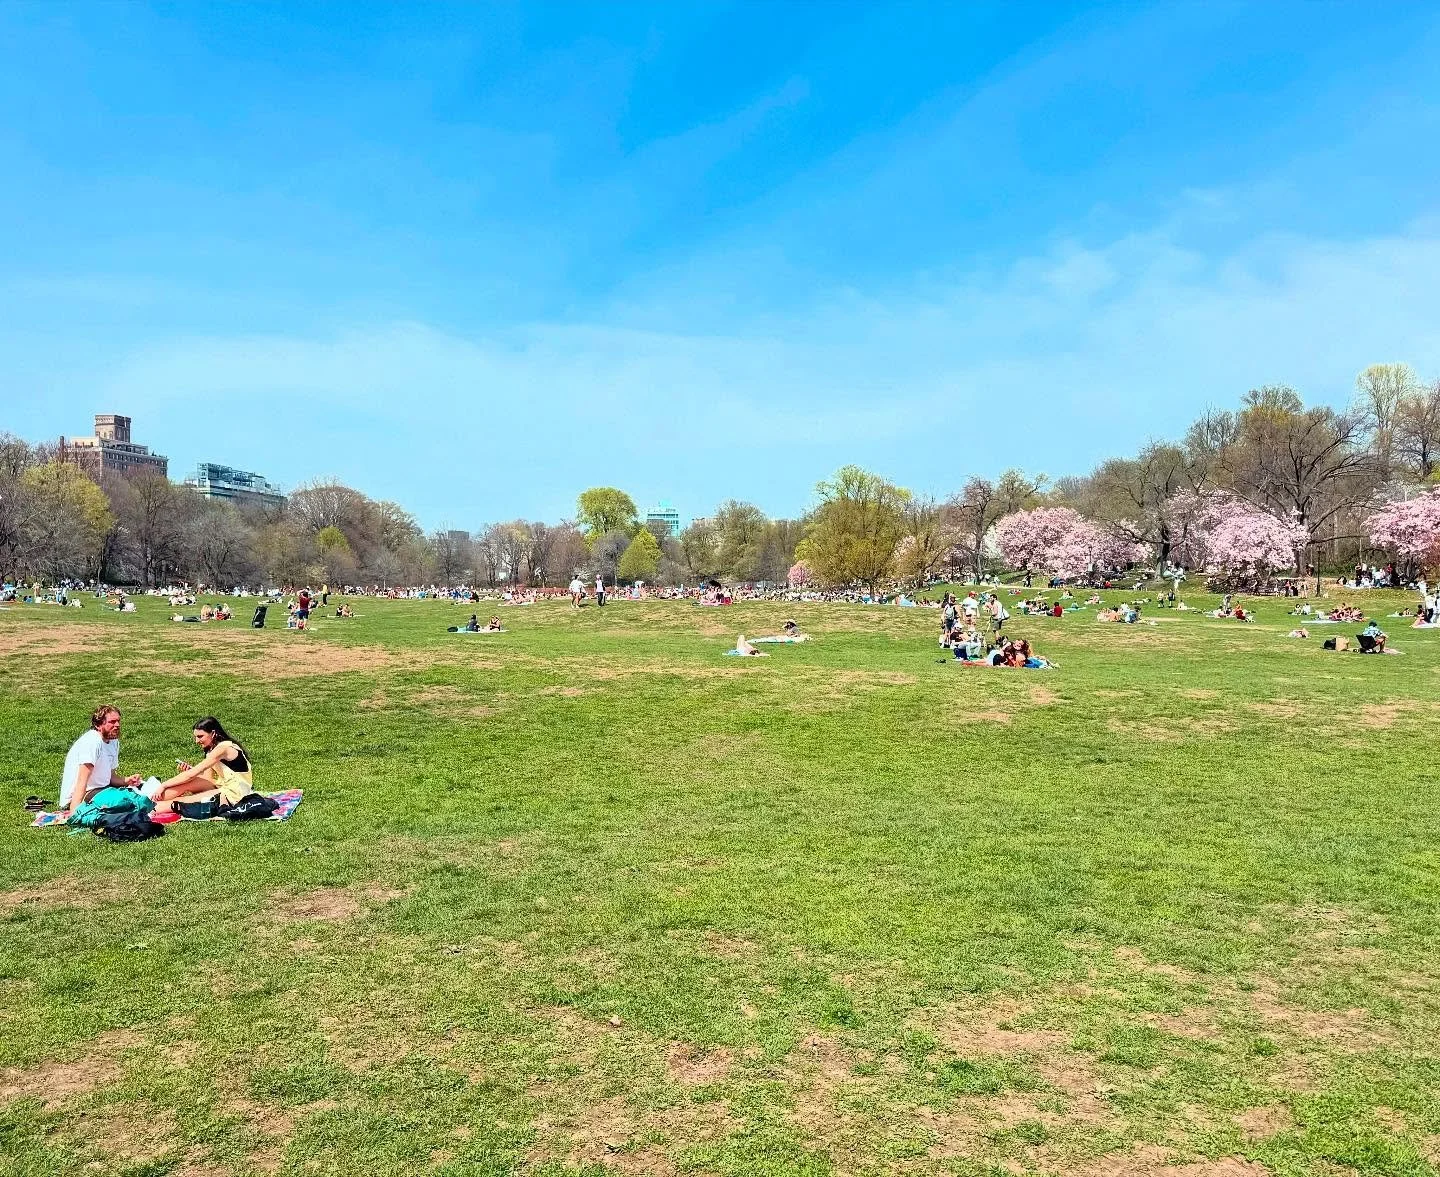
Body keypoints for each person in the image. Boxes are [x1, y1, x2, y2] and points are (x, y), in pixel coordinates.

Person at [148, 717, 255, 812]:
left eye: (200, 736)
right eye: (195, 737)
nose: (196, 741)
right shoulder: (211, 750)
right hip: (223, 786)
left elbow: (191, 775)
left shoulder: (223, 749)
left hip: (236, 794)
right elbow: (208, 778)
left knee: (180, 801)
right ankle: (149, 801)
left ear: (213, 733)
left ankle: (151, 808)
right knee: (185, 784)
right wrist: (192, 772)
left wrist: (163, 785)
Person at [59, 705, 142, 812]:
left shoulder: (113, 741)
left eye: (118, 721)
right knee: (126, 801)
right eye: (112, 722)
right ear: (98, 725)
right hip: (84, 794)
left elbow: (111, 778)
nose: (117, 725)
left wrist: (128, 780)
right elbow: (82, 780)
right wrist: (75, 812)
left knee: (144, 790)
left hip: (104, 789)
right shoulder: (92, 741)